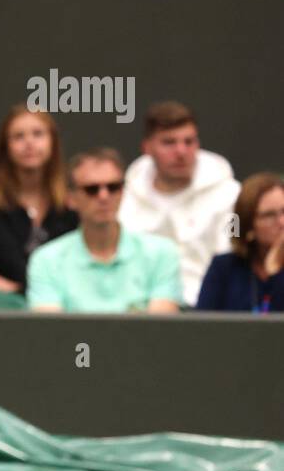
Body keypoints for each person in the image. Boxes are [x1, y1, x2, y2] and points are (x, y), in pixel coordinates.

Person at [27, 148, 182, 313]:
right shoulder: (46, 260)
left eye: (113, 187)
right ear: (70, 199)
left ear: (123, 192)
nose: (104, 196)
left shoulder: (162, 253)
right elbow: (50, 332)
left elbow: (160, 330)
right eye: (92, 189)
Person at [118, 101, 240, 306]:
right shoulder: (123, 200)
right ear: (147, 147)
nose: (181, 151)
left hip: (211, 312)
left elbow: (233, 256)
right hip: (140, 313)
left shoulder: (231, 196)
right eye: (169, 142)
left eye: (189, 141)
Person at [0, 103, 77, 292]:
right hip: (6, 306)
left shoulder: (71, 201)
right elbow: (9, 263)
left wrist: (18, 287)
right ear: (6, 146)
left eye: (38, 134)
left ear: (52, 142)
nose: (29, 143)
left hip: (62, 304)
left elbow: (73, 267)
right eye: (18, 136)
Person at [196, 173, 284, 313]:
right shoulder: (224, 268)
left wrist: (275, 271)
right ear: (248, 224)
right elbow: (199, 326)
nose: (281, 222)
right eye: (269, 215)